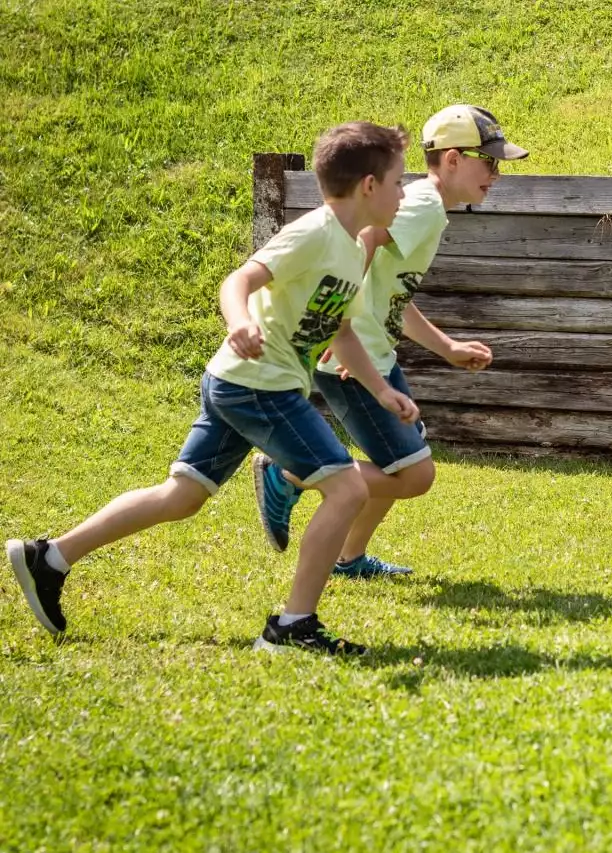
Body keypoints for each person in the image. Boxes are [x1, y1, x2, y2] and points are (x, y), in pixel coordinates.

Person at [6, 121, 418, 655]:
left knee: (182, 495)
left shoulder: (349, 249)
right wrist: (239, 320)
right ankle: (294, 626)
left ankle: (51, 557)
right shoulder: (315, 233)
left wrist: (383, 393)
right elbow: (240, 280)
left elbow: (338, 330)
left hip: (238, 382)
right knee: (348, 489)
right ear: (368, 186)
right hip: (258, 385)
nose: (403, 194)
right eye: (398, 182)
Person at [252, 105, 528, 577]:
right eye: (491, 162)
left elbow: (393, 295)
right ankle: (288, 473)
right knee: (414, 475)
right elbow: (364, 238)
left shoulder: (427, 207)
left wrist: (447, 348)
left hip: (376, 353)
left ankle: (350, 558)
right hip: (355, 359)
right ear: (455, 159)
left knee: (398, 463)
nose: (497, 176)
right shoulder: (420, 206)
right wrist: (338, 325)